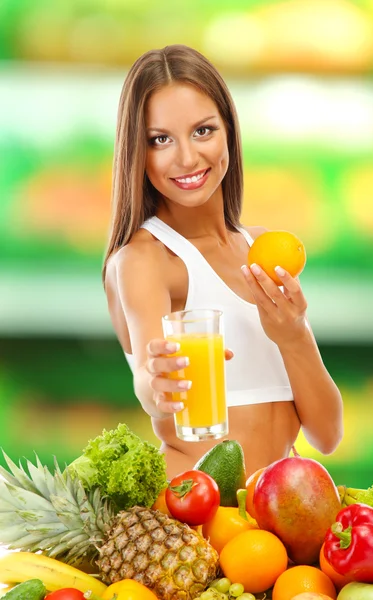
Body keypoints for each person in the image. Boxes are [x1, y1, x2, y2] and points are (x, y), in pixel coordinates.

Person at [103, 44, 344, 479]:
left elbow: (327, 435)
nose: (187, 158)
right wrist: (157, 384)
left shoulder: (264, 250)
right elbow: (149, 385)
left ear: (229, 131)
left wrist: (293, 337)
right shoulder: (145, 259)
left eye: (203, 131)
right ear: (137, 151)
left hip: (278, 514)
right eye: (160, 139)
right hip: (196, 521)